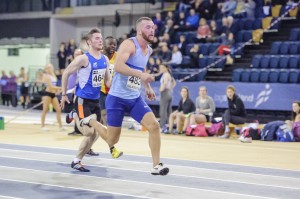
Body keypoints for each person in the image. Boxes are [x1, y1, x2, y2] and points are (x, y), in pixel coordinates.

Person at [105, 17, 169, 175]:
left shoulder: (149, 50)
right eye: (148, 27)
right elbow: (119, 66)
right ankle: (91, 121)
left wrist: (147, 86)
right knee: (112, 140)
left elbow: (142, 68)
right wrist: (141, 75)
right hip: (117, 98)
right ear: (140, 30)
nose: (152, 30)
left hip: (134, 98)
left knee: (154, 126)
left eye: (153, 27)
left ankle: (156, 165)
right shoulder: (129, 44)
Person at [60, 28, 122, 172]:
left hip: (95, 101)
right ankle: (74, 115)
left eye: (101, 38)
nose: (100, 40)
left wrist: (119, 89)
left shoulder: (105, 59)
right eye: (96, 38)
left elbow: (107, 82)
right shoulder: (84, 59)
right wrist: (64, 95)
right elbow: (66, 73)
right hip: (82, 100)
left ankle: (76, 160)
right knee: (88, 132)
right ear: (89, 42)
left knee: (96, 134)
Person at [39, 64, 65, 131]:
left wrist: (57, 90)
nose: (49, 69)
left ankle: (60, 126)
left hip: (53, 94)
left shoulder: (53, 76)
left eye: (50, 67)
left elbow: (54, 85)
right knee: (45, 110)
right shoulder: (46, 76)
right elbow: (50, 86)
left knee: (58, 110)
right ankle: (42, 126)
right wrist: (61, 88)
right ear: (45, 69)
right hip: (47, 94)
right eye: (47, 68)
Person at [99, 36, 117, 126]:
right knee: (103, 113)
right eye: (110, 44)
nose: (113, 46)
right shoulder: (99, 56)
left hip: (113, 90)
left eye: (114, 44)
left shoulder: (118, 57)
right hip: (101, 90)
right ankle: (106, 129)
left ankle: (110, 128)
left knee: (111, 112)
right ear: (104, 45)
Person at [159, 64, 176, 128]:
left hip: (165, 92)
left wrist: (162, 89)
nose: (161, 69)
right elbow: (174, 83)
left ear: (166, 68)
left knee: (163, 110)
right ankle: (169, 125)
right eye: (160, 67)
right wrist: (170, 88)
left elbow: (165, 83)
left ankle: (162, 125)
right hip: (169, 92)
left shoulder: (166, 75)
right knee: (168, 110)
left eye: (163, 67)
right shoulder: (169, 74)